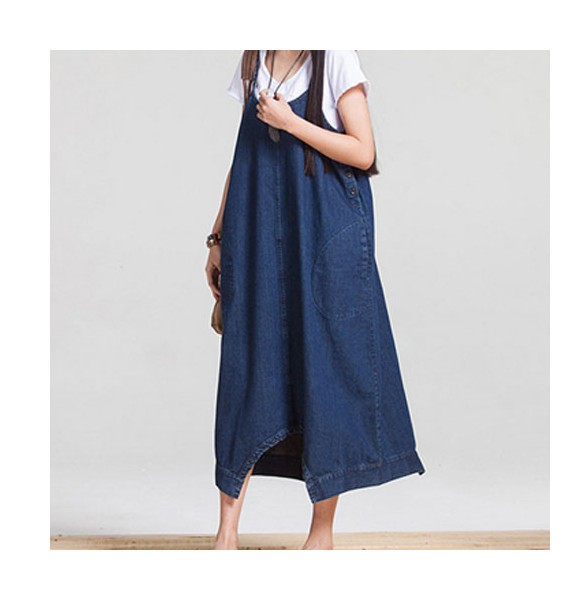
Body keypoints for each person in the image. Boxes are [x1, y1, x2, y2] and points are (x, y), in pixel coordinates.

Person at [205, 50, 425, 550]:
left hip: (325, 231)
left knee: (326, 367)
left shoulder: (335, 56)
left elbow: (363, 152)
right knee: (247, 365)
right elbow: (244, 156)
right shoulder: (254, 61)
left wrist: (291, 123)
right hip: (259, 227)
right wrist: (218, 236)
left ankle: (321, 534)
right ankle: (226, 534)